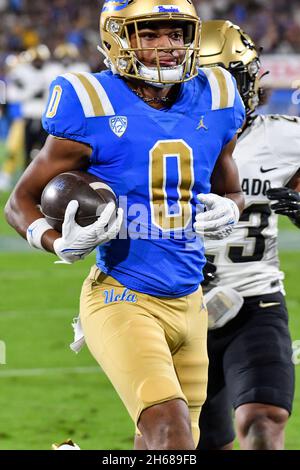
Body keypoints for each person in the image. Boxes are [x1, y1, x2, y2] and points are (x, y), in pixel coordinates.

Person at [5, 1, 245, 450]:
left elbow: (230, 188)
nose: (168, 46)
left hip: (190, 300)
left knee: (162, 444)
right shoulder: (91, 101)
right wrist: (58, 243)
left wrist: (232, 208)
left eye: (176, 34)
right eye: (149, 34)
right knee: (170, 437)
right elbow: (20, 200)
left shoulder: (217, 95)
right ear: (118, 38)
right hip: (122, 296)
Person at [197, 20, 300, 450]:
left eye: (228, 79)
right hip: (175, 309)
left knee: (264, 420)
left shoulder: (285, 137)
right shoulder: (160, 142)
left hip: (256, 303)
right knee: (173, 441)